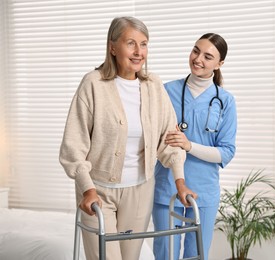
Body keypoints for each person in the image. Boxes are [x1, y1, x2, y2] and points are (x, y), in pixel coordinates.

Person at [59, 16, 196, 260]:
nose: (138, 52)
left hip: (140, 191)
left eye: (144, 44)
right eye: (130, 43)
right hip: (97, 191)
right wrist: (87, 188)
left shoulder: (153, 85)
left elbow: (169, 138)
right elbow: (73, 145)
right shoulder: (93, 84)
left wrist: (180, 180)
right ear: (113, 47)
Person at [152, 33, 237, 260]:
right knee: (165, 254)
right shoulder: (166, 91)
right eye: (196, 50)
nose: (198, 59)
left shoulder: (225, 101)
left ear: (219, 64)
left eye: (208, 56)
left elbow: (226, 151)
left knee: (196, 255)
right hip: (167, 187)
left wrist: (189, 145)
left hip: (204, 192)